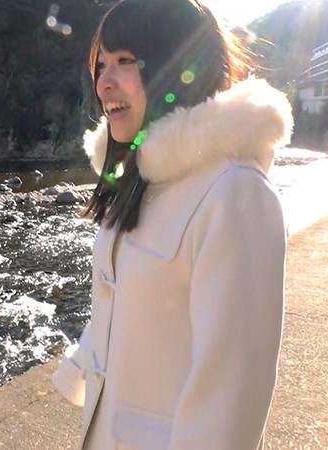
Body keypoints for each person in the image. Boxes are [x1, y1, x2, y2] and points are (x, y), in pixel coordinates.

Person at [51, 0, 292, 448]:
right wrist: (80, 366)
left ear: (179, 67)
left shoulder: (235, 194)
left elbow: (231, 403)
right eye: (101, 65)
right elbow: (126, 300)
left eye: (125, 61)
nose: (104, 82)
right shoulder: (140, 177)